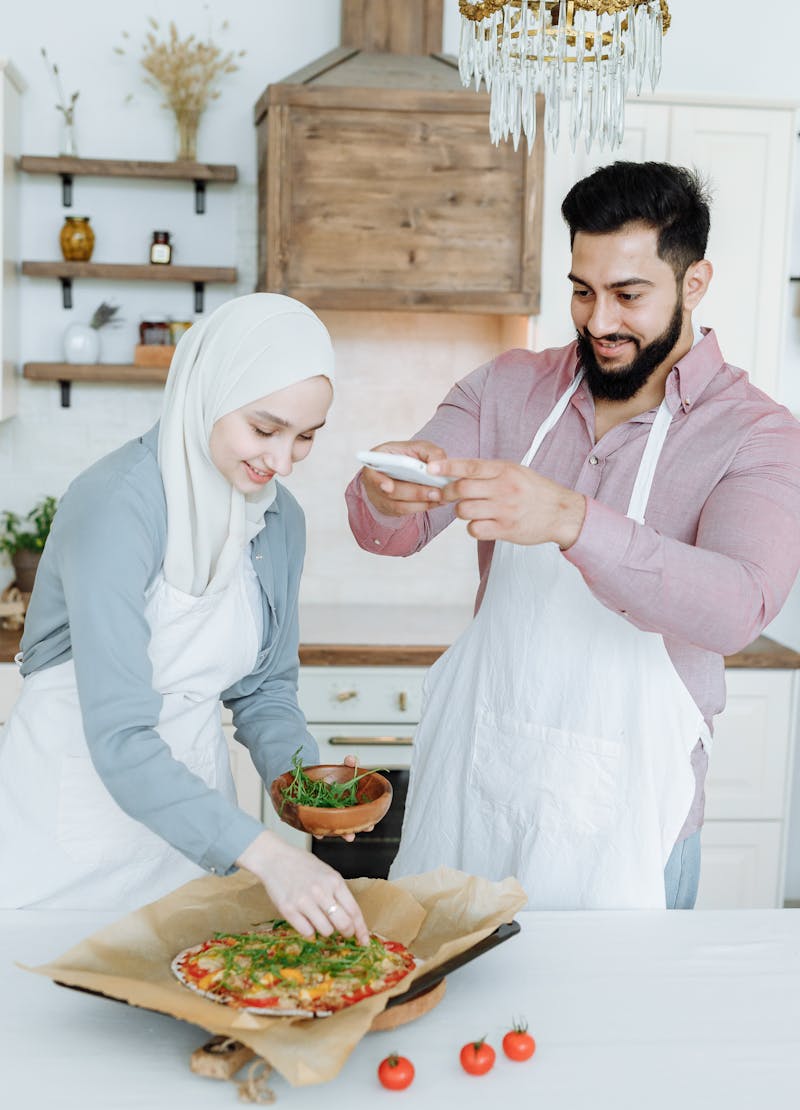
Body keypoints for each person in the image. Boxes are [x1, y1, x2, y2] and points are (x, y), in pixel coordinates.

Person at [345, 161, 800, 910]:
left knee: (613, 1025)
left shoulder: (758, 434)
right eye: (583, 291)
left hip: (631, 822)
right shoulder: (508, 387)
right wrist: (385, 491)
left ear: (695, 282)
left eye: (629, 295)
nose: (598, 321)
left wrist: (571, 521)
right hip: (479, 792)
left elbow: (736, 607)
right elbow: (390, 529)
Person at [0, 293, 369, 944]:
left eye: (305, 437)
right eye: (264, 428)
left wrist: (307, 788)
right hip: (70, 840)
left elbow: (264, 691)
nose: (281, 463)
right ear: (209, 388)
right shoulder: (116, 505)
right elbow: (117, 736)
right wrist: (266, 855)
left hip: (196, 839)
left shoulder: (278, 520)